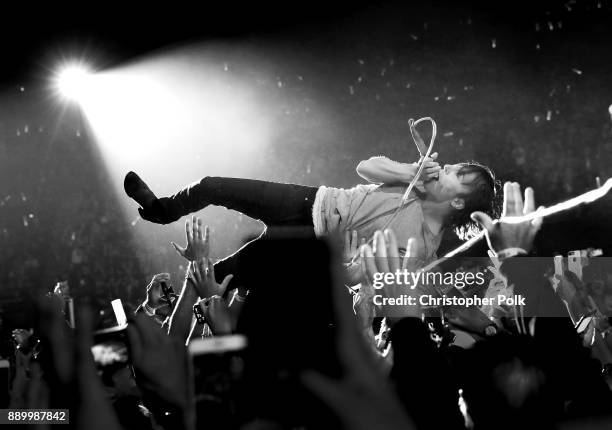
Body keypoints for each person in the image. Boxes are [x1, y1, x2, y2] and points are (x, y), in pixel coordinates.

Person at [124, 142, 497, 271]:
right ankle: (163, 209)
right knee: (214, 186)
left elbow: (368, 277)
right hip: (309, 200)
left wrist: (352, 267)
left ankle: (186, 295)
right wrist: (411, 169)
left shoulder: (421, 247)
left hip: (313, 245)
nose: (442, 168)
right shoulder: (414, 184)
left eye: (452, 174)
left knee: (233, 270)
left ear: (459, 200)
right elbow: (364, 167)